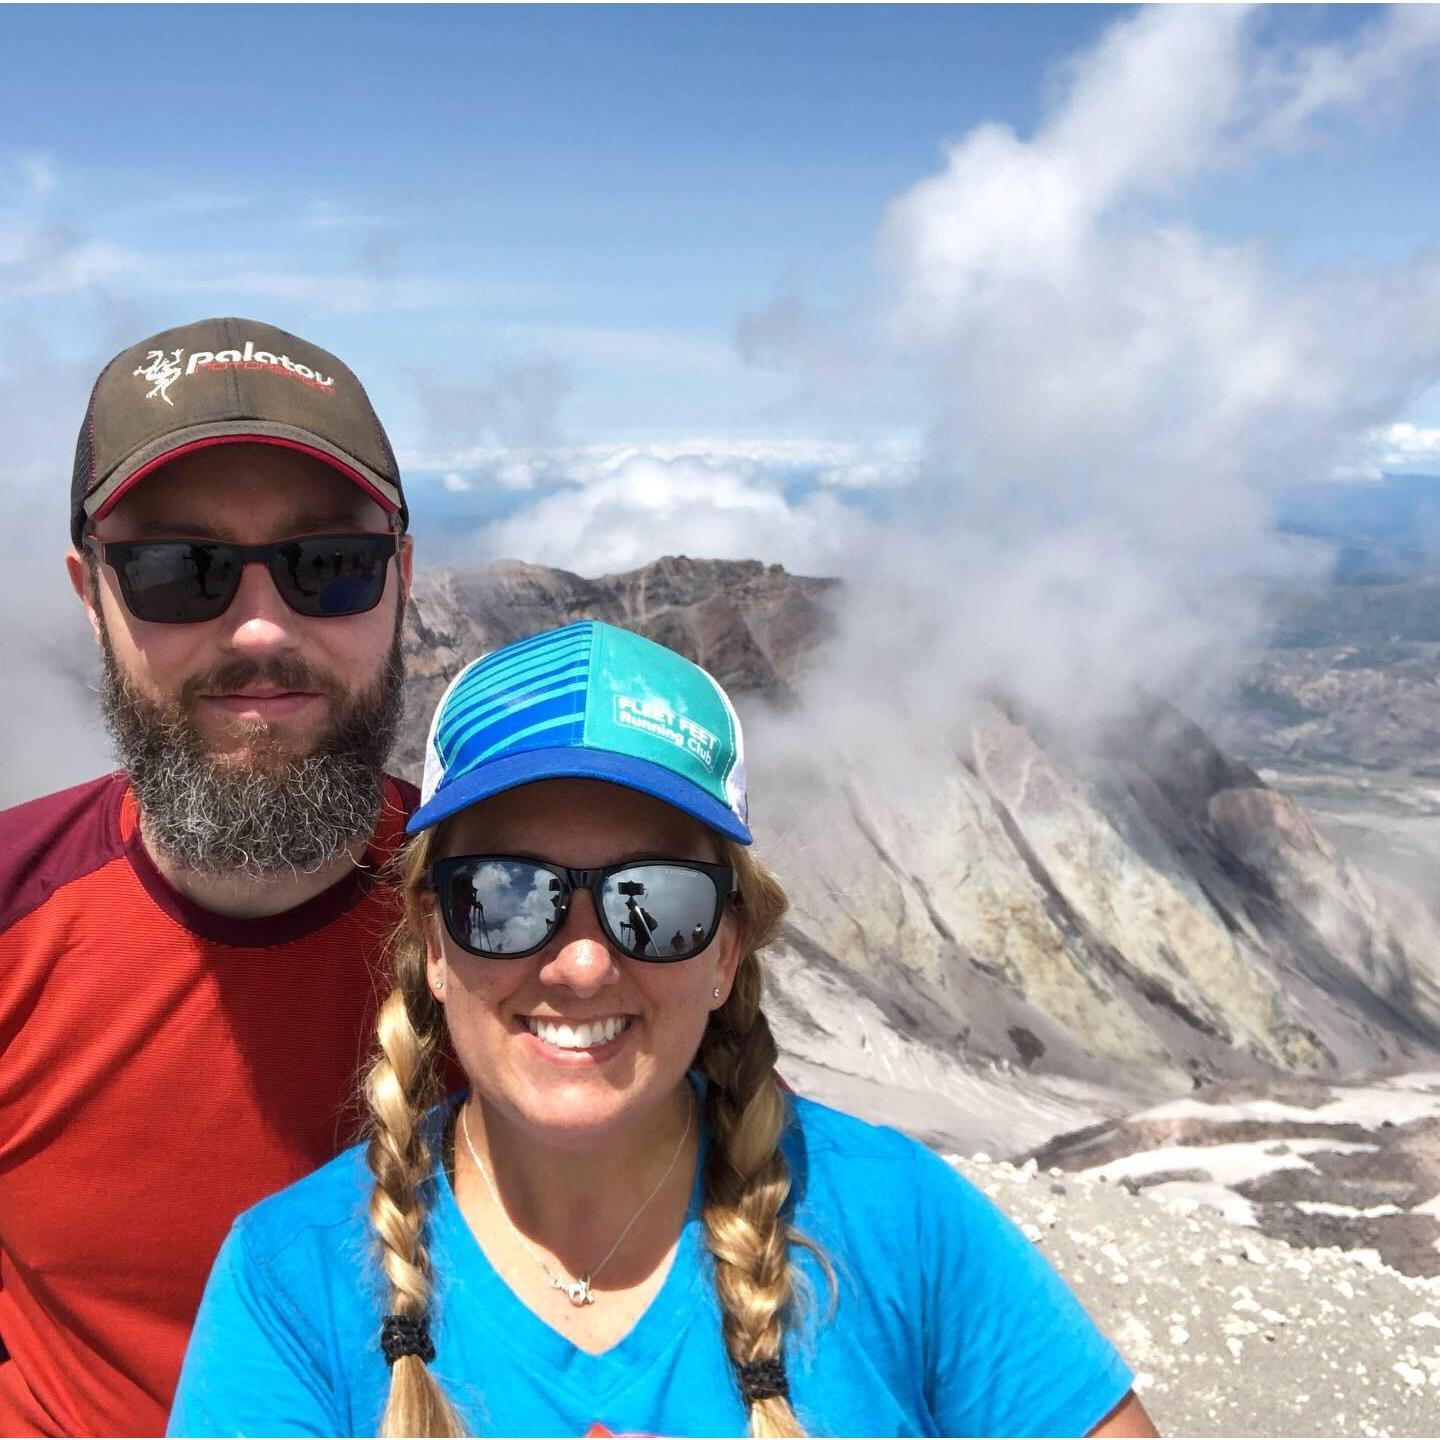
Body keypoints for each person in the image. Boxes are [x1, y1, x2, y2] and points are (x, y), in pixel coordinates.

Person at [170, 620, 1157, 1438]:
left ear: (727, 952)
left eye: (654, 901)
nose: (584, 960)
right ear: (434, 939)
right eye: (509, 895)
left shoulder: (904, 1225)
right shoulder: (290, 1281)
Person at [0, 318, 418, 1436]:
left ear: (401, 581)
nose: (260, 629)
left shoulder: (522, 928)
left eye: (329, 565)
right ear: (92, 593)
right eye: (179, 572)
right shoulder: (10, 918)